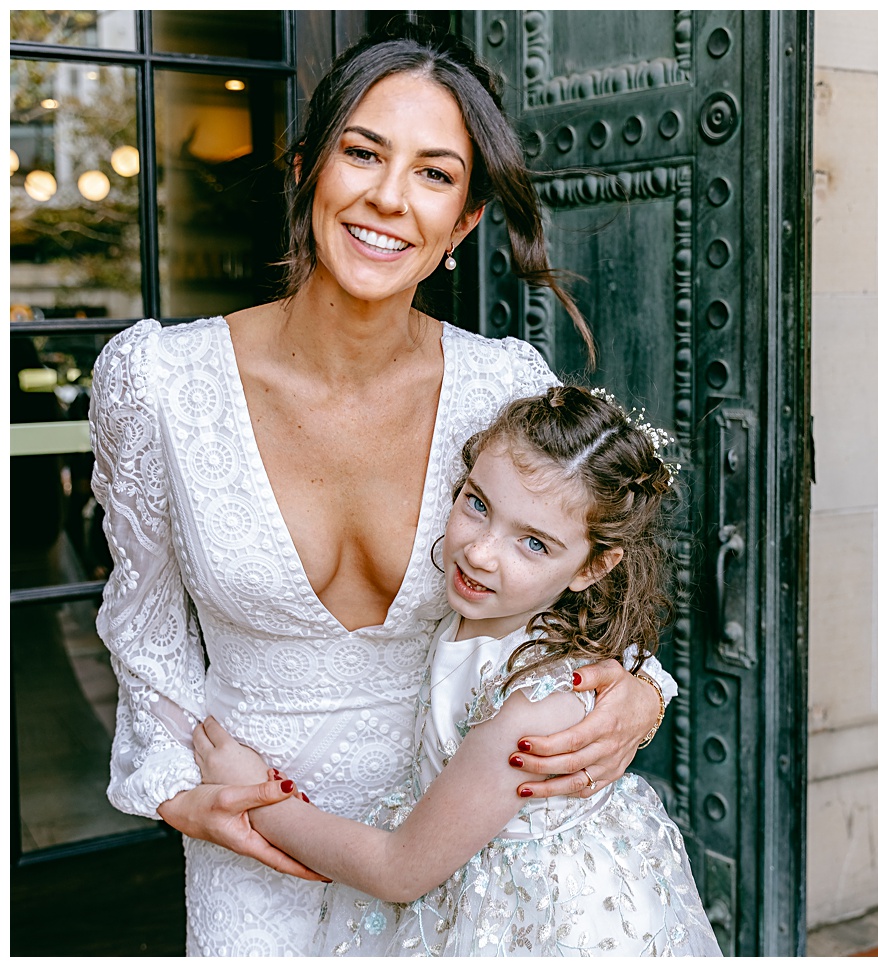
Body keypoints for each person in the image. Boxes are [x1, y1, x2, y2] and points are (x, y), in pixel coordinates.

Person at [89, 22, 671, 955]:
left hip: (460, 859)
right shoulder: (158, 383)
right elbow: (145, 625)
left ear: (465, 223)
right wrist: (182, 792)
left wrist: (638, 691)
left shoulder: (502, 386)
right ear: (308, 168)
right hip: (253, 836)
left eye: (436, 174)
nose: (389, 198)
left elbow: (570, 570)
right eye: (363, 152)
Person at [193, 388, 722, 957]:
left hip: (527, 925)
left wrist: (254, 797)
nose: (481, 553)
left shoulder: (534, 707)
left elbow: (400, 871)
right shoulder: (488, 614)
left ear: (593, 567)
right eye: (477, 504)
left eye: (534, 543)